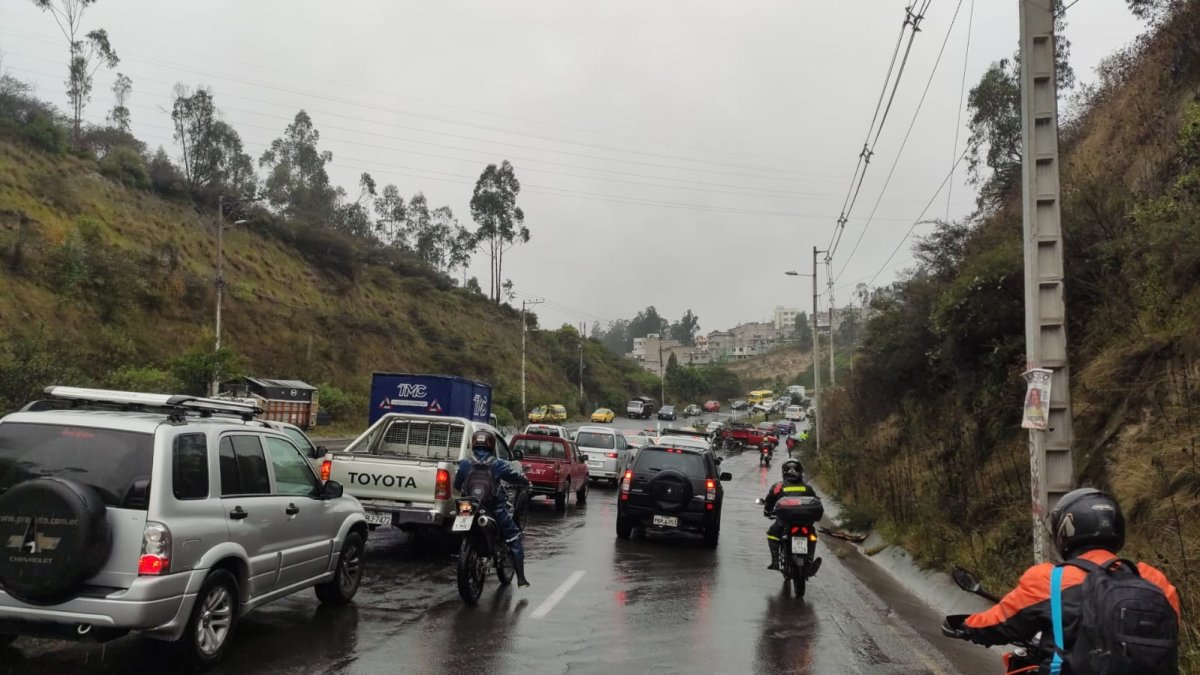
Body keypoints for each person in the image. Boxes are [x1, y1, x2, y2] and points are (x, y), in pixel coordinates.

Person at [955, 487, 1180, 672]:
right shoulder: (1153, 579)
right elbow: (1170, 630)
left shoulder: (1051, 578)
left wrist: (966, 626)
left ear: (1066, 530)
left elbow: (999, 623)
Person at [453, 429, 532, 587]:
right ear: (491, 444)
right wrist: (526, 482)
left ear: (474, 443)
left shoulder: (465, 463)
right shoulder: (497, 464)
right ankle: (521, 579)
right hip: (493, 508)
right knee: (514, 537)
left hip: (468, 506)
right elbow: (515, 477)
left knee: (459, 532)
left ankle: (461, 550)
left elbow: (456, 485)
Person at [761, 458, 821, 573]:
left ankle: (775, 562)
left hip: (785, 521)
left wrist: (767, 511)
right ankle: (809, 559)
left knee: (772, 534)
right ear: (800, 471)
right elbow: (816, 500)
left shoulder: (778, 486)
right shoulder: (807, 487)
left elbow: (769, 501)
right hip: (805, 521)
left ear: (784, 472)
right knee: (812, 535)